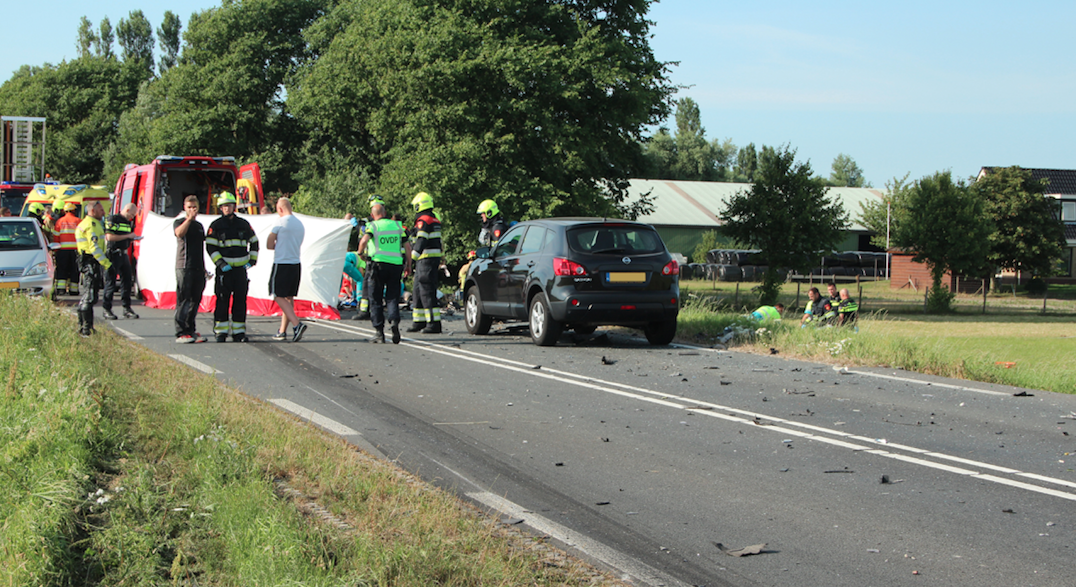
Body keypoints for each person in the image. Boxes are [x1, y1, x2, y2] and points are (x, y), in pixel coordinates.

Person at [206, 192, 259, 342]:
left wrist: (252, 260)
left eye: (229, 205)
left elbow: (254, 241)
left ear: (234, 206)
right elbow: (210, 247)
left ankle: (239, 333)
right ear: (220, 208)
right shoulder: (215, 226)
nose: (226, 208)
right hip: (224, 271)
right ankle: (220, 332)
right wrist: (221, 264)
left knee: (240, 301)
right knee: (222, 300)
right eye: (223, 206)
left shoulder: (243, 224)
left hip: (240, 271)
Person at [358, 202, 412, 343]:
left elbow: (364, 240)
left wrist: (359, 252)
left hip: (377, 265)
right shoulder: (397, 226)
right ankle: (394, 321)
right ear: (385, 212)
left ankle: (379, 332)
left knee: (375, 298)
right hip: (395, 265)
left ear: (372, 215)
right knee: (392, 296)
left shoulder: (373, 226)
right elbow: (407, 247)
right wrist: (409, 265)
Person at [266, 197, 307, 342]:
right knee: (289, 297)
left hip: (282, 263)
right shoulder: (299, 224)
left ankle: (297, 324)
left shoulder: (280, 222)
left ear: (280, 209)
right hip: (295, 263)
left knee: (277, 294)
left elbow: (269, 244)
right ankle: (282, 331)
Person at [407, 192, 444, 334]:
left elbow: (421, 240)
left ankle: (434, 323)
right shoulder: (433, 218)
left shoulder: (424, 220)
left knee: (427, 292)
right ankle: (419, 321)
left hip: (426, 259)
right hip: (428, 260)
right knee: (417, 290)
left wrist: (411, 259)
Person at [74, 202, 111, 337]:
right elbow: (94, 248)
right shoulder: (91, 225)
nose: (103, 212)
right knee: (89, 296)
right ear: (93, 211)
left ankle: (85, 326)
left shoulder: (88, 223)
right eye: (101, 210)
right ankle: (85, 328)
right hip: (90, 261)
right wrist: (106, 264)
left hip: (88, 261)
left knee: (89, 295)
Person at [174, 195, 208, 344]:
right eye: (189, 207)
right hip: (184, 266)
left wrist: (204, 268)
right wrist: (188, 219)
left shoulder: (200, 226)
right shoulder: (180, 222)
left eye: (194, 207)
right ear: (185, 208)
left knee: (195, 300)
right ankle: (181, 331)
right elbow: (179, 233)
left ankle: (191, 329)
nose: (192, 210)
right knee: (184, 299)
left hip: (198, 266)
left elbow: (200, 248)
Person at [102, 203, 142, 320]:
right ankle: (107, 309)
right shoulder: (113, 219)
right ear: (127, 209)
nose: (132, 217)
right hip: (113, 253)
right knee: (111, 282)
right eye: (132, 214)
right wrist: (128, 236)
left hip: (123, 253)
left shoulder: (127, 222)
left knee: (127, 282)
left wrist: (131, 237)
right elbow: (109, 237)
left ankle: (127, 308)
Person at [53, 201, 81, 295]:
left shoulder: (60, 221)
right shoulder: (78, 221)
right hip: (76, 251)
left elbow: (56, 236)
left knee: (62, 269)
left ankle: (61, 289)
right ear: (73, 210)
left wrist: (56, 249)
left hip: (62, 251)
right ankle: (74, 290)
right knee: (74, 269)